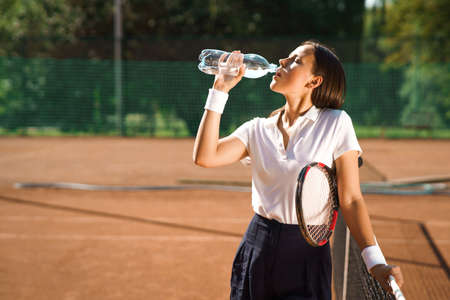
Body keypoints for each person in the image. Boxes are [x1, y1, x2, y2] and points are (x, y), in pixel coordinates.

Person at [193, 41, 404, 300]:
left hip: (308, 255)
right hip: (257, 246)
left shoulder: (336, 123)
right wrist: (220, 88)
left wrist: (375, 263)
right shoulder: (257, 129)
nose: (282, 61)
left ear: (314, 81)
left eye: (295, 61)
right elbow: (205, 156)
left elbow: (350, 199)